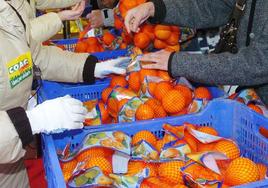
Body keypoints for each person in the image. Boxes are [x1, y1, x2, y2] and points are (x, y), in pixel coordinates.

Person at [0, 0, 127, 187]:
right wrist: (30, 121)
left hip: (11, 159)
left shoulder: (7, 9)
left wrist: (91, 68)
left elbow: (36, 55)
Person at [124, 0, 268, 105]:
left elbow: (256, 64)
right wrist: (154, 8)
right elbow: (214, 8)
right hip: (253, 99)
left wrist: (178, 63)